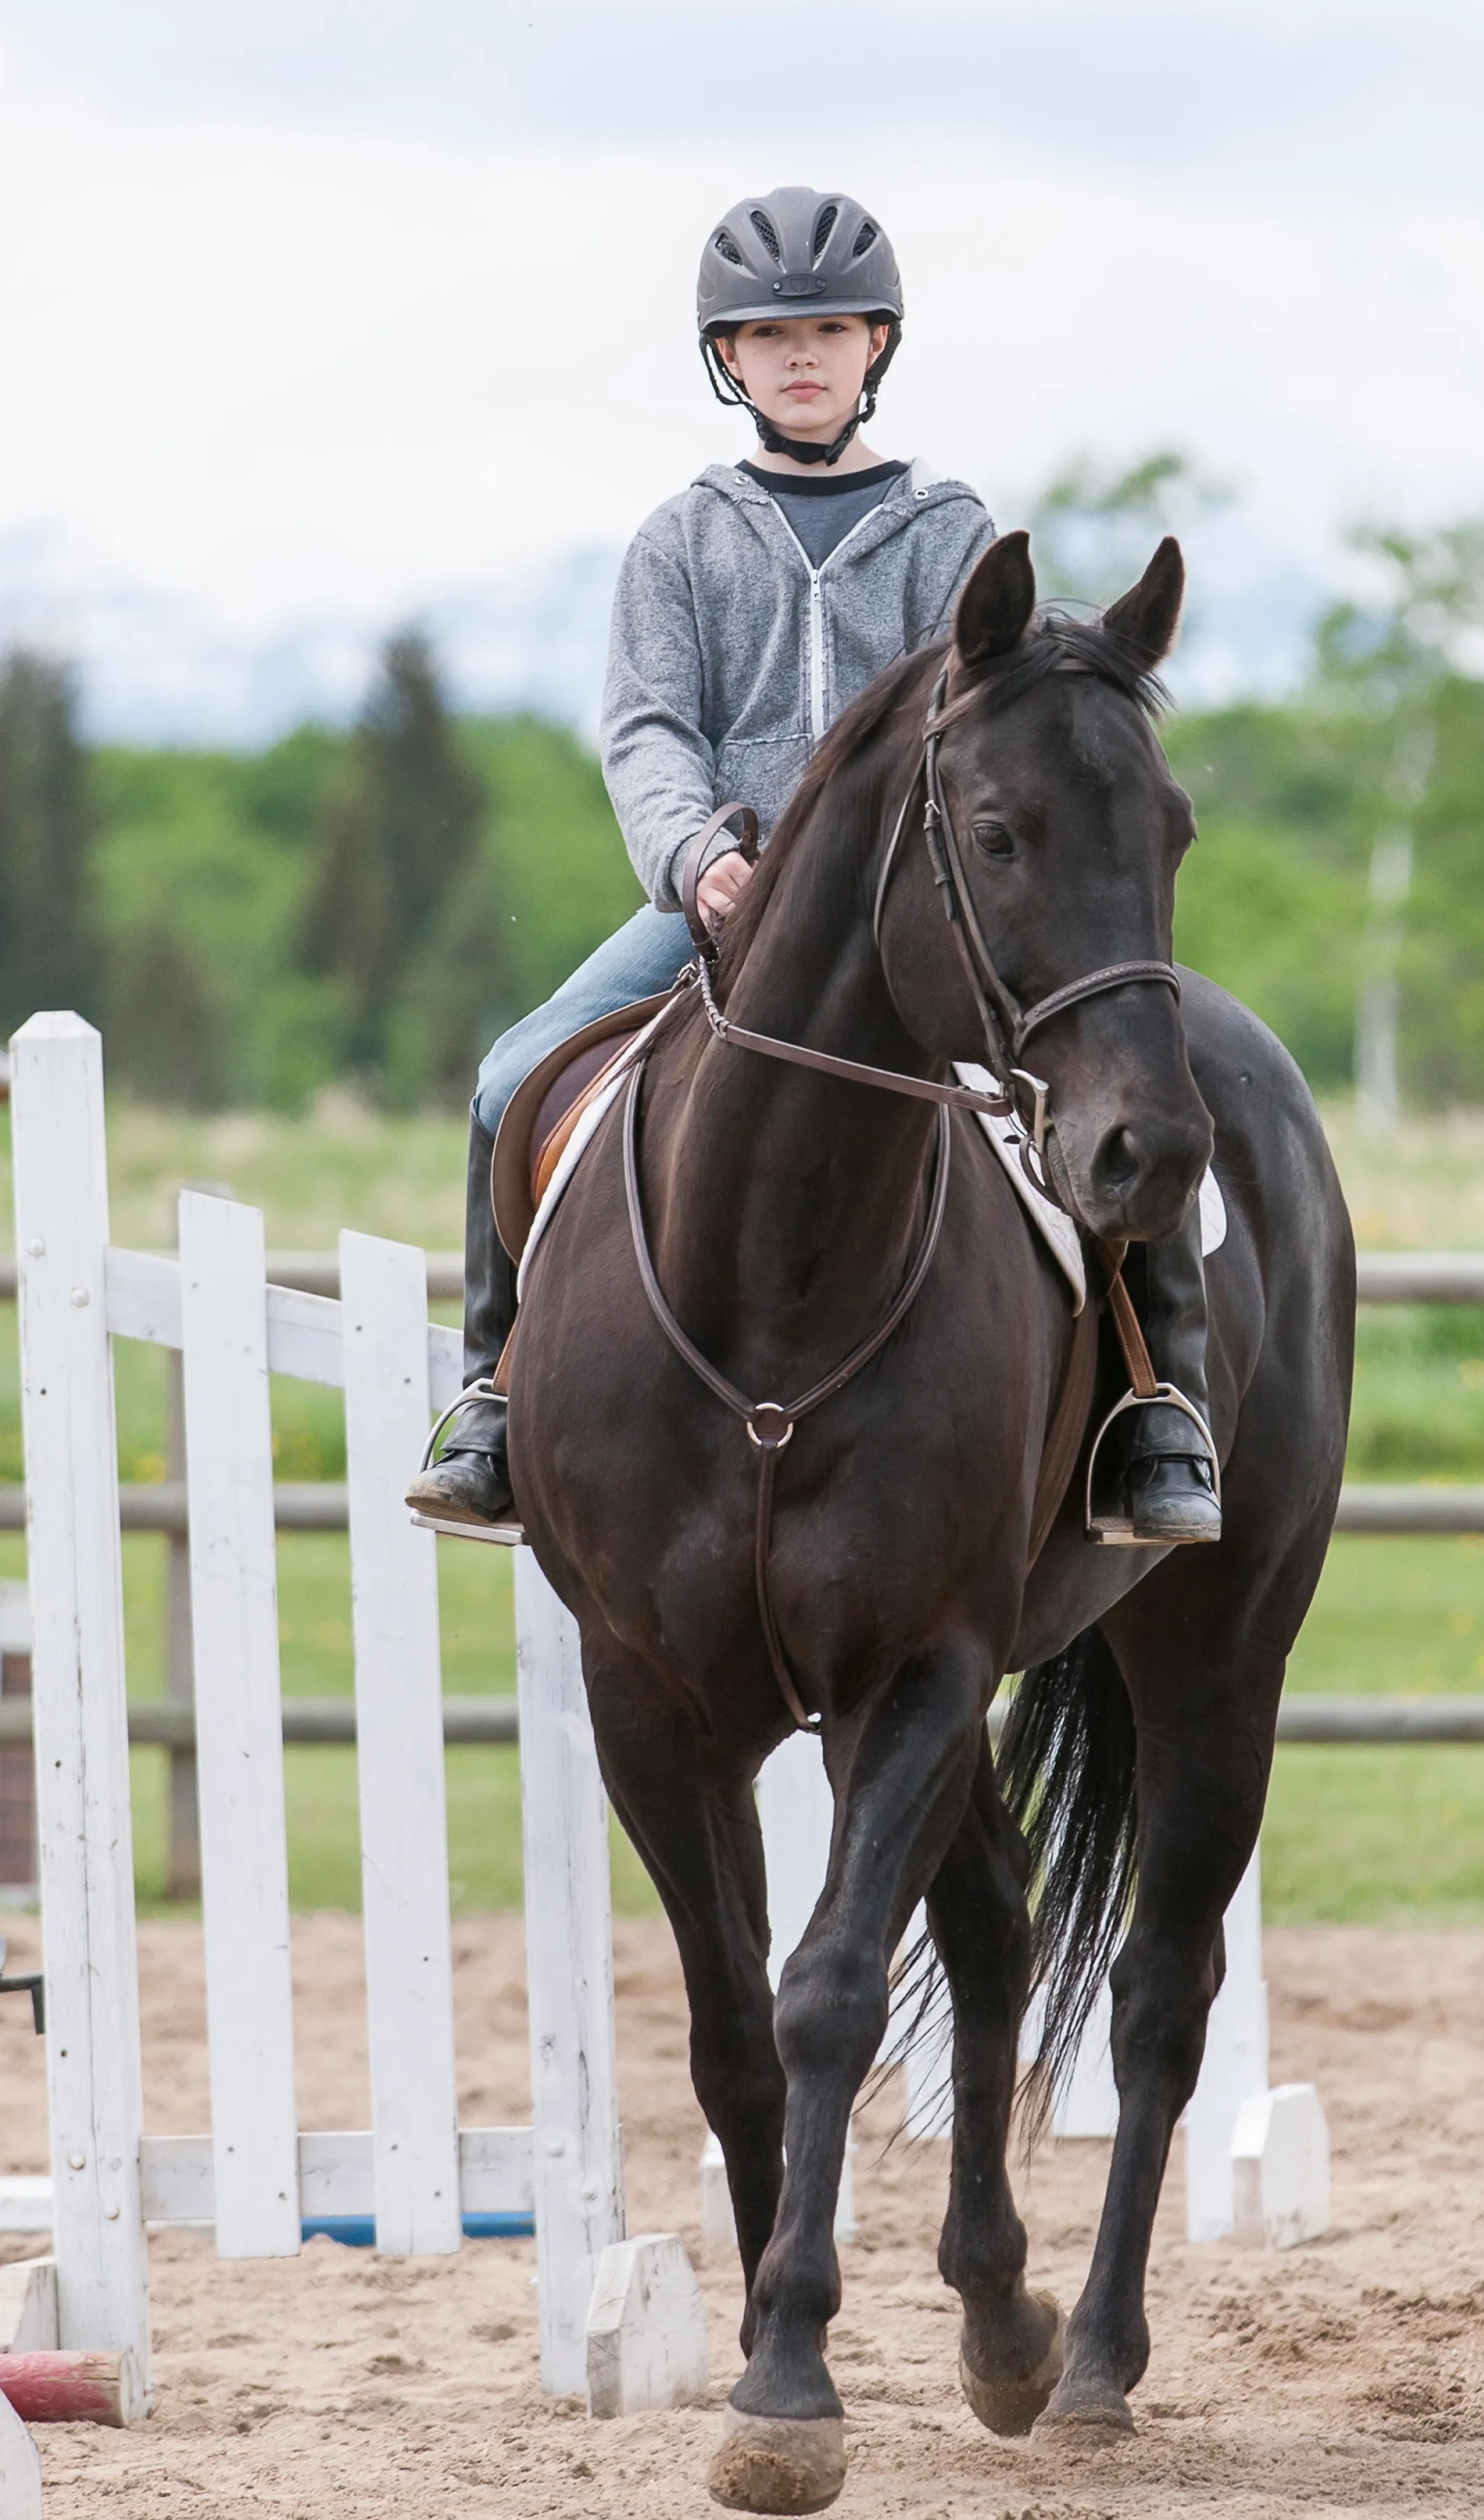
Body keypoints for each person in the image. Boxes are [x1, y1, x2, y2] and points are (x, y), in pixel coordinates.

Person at [405, 185, 1219, 1548]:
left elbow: (999, 723)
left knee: (1110, 1079)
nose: (802, 356)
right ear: (727, 359)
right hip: (727, 904)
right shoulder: (682, 540)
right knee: (509, 1080)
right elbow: (650, 727)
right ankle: (492, 1391)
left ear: (877, 349)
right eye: (771, 336)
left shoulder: (954, 531)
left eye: (831, 331)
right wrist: (696, 856)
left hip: (919, 918)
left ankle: (1156, 1402)